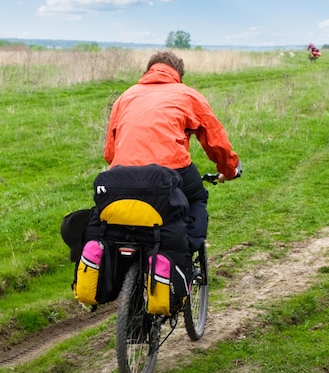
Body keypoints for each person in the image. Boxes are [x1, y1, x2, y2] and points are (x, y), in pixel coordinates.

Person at [103, 50, 241, 252]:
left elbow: (110, 152)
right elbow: (215, 140)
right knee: (197, 197)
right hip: (173, 169)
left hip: (123, 171)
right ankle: (188, 248)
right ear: (178, 75)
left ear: (148, 71)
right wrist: (229, 170)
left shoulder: (125, 96)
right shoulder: (188, 95)